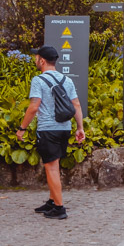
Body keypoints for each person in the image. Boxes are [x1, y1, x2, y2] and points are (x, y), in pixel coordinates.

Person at [18, 46, 85, 220]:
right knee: (54, 166)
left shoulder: (38, 80)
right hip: (64, 128)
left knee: (52, 168)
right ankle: (52, 201)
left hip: (48, 129)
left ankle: (60, 208)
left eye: (36, 58)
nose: (35, 60)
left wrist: (22, 128)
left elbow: (34, 107)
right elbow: (76, 105)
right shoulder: (67, 80)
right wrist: (80, 128)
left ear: (41, 60)